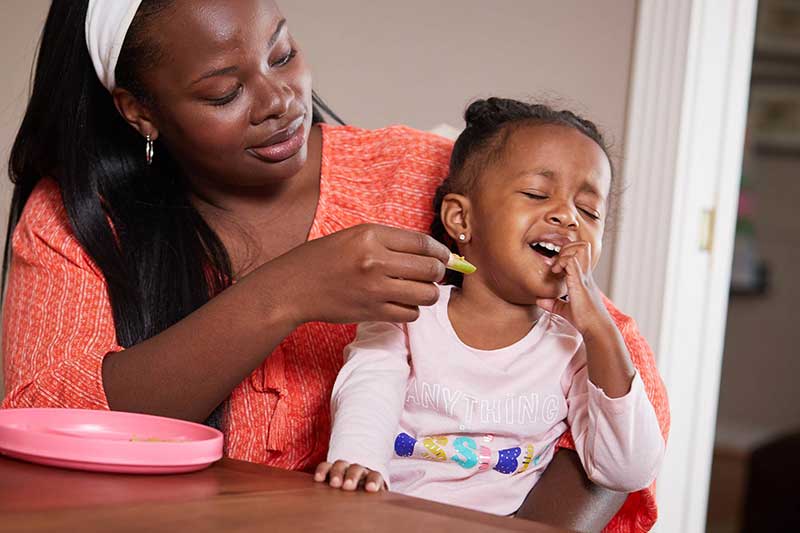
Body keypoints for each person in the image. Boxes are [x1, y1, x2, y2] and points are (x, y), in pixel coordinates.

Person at [1, 1, 669, 530]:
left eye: (283, 53)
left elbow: (620, 380)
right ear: (139, 110)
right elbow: (48, 414)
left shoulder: (423, 175)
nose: (279, 100)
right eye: (223, 91)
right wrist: (288, 291)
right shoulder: (77, 220)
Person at [315, 98, 666, 516]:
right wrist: (359, 465)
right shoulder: (406, 316)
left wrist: (600, 331)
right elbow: (368, 389)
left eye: (589, 211)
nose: (568, 217)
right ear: (461, 220)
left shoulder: (576, 350)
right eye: (537, 194)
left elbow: (628, 471)